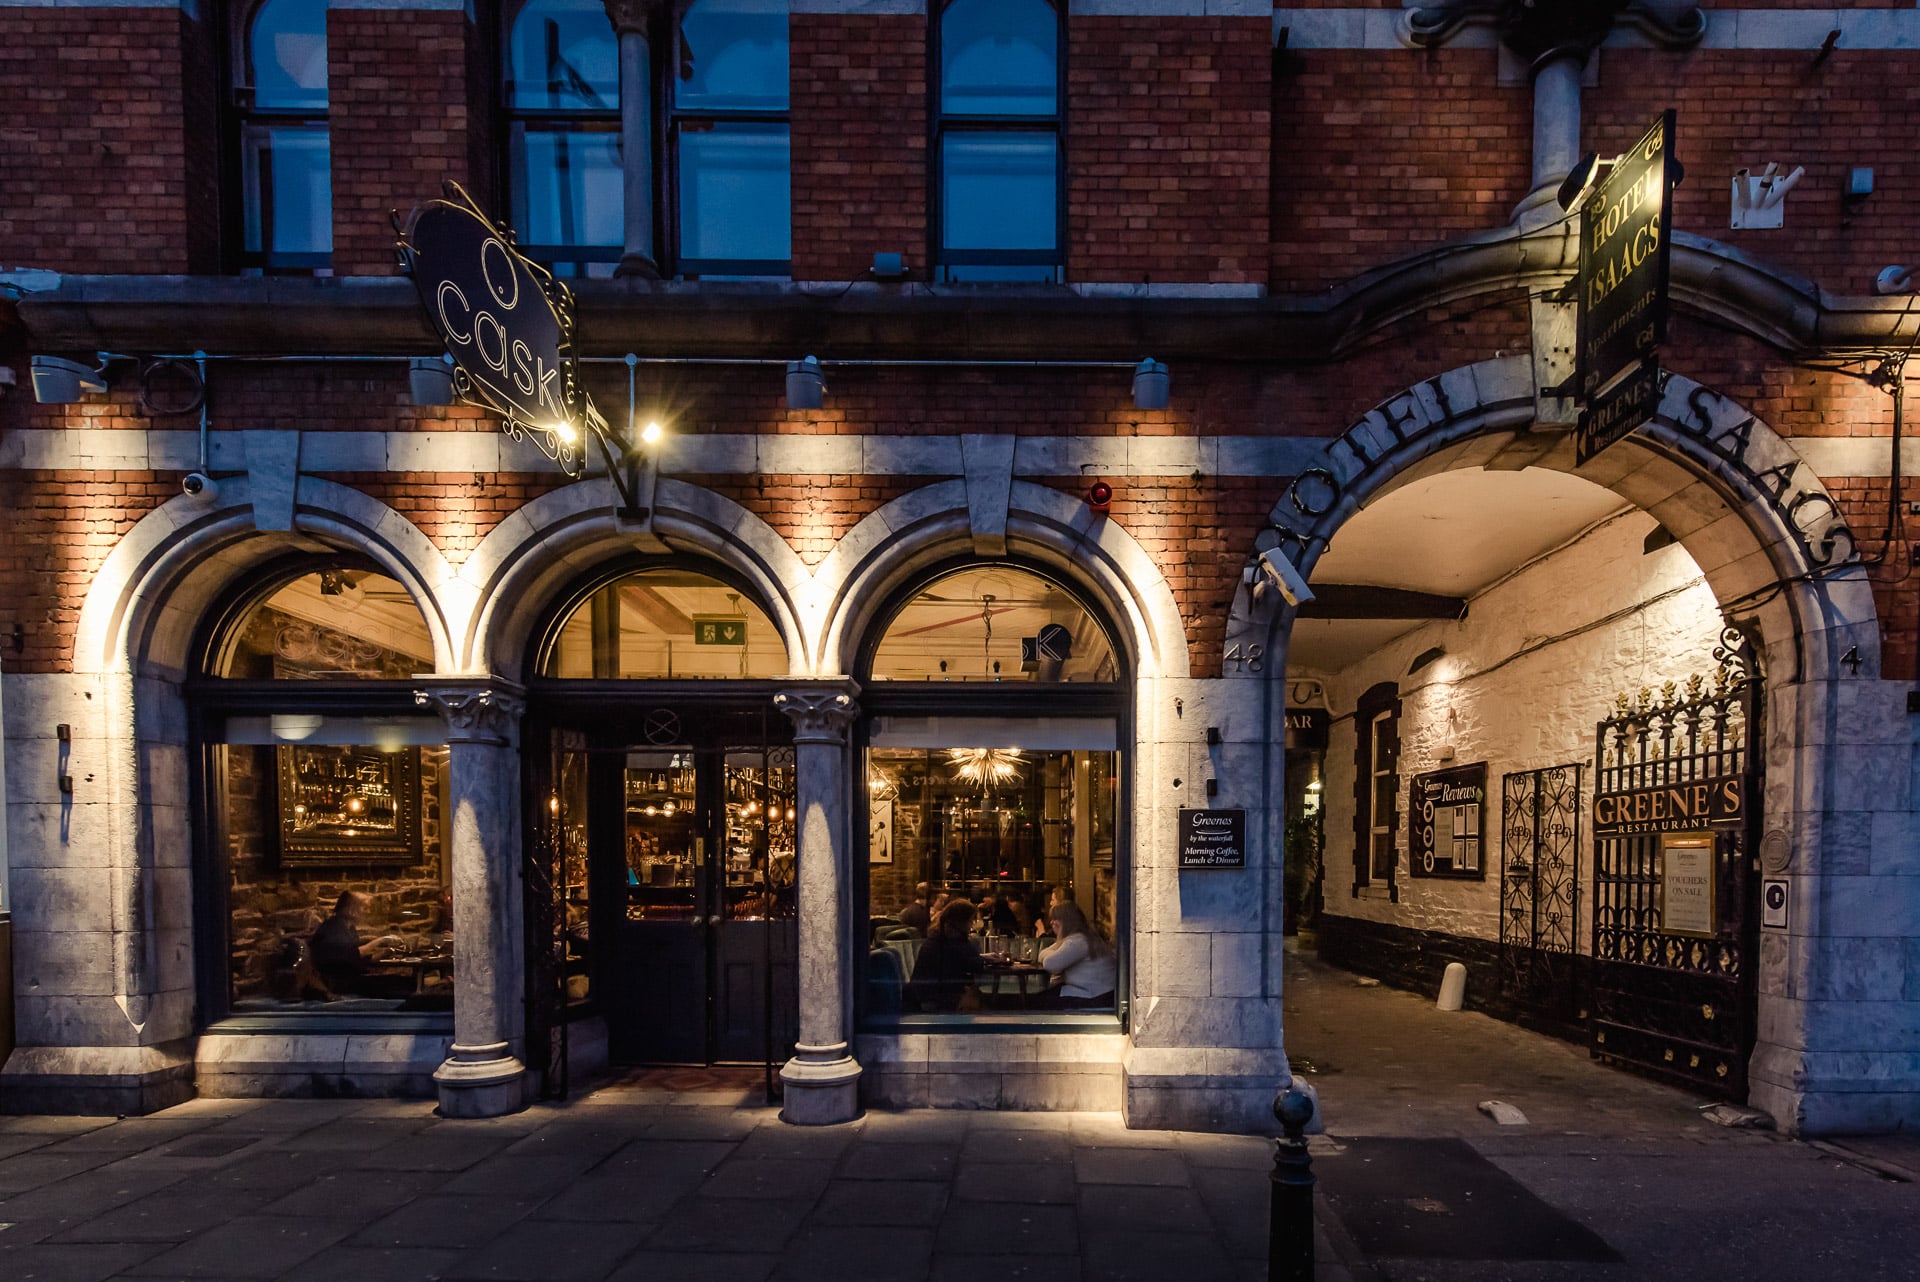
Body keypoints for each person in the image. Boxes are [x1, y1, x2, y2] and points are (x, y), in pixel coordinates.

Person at [309, 891, 406, 998]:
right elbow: (355, 954)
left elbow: (366, 959)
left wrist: (390, 951)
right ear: (351, 909)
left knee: (402, 983)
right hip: (339, 984)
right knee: (400, 987)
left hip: (350, 980)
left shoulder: (349, 928)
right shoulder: (334, 927)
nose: (368, 911)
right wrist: (383, 940)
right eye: (364, 908)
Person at [907, 901, 985, 1012]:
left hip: (923, 994)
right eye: (970, 921)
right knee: (980, 1000)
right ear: (961, 921)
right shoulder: (953, 940)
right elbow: (975, 965)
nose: (971, 925)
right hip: (938, 997)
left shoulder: (938, 936)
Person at [1037, 901, 1116, 1009]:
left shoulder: (1077, 942)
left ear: (1064, 922)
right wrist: (1056, 947)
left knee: (1038, 1002)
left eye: (1055, 919)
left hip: (1095, 997)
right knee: (1044, 997)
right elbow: (1042, 954)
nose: (1052, 923)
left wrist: (1054, 949)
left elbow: (1049, 964)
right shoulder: (1083, 937)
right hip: (1099, 993)